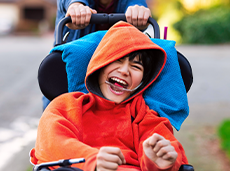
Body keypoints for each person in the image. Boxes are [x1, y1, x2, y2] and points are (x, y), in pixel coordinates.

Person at [31, 21, 188, 171]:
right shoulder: (67, 106)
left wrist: (161, 161)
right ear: (100, 65)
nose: (125, 71)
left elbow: (167, 145)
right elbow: (51, 142)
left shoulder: (145, 115)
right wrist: (92, 159)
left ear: (143, 80)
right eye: (117, 60)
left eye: (135, 66)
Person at [43, 0, 152, 110]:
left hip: (110, 82)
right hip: (70, 75)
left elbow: (137, 4)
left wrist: (138, 12)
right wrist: (76, 6)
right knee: (57, 121)